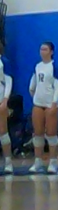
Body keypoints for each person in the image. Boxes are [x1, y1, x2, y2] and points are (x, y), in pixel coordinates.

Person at [29, 42, 58, 174]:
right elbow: (33, 84)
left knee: (51, 133)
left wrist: (54, 103)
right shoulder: (37, 66)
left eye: (45, 49)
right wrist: (33, 94)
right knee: (37, 133)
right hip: (38, 103)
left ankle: (53, 162)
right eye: (41, 49)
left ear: (51, 52)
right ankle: (38, 161)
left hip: (51, 104)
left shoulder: (55, 66)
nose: (42, 51)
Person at [0, 42, 12, 174]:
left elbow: (8, 80)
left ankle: (8, 162)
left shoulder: (3, 61)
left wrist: (5, 99)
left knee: (3, 131)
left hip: (0, 99)